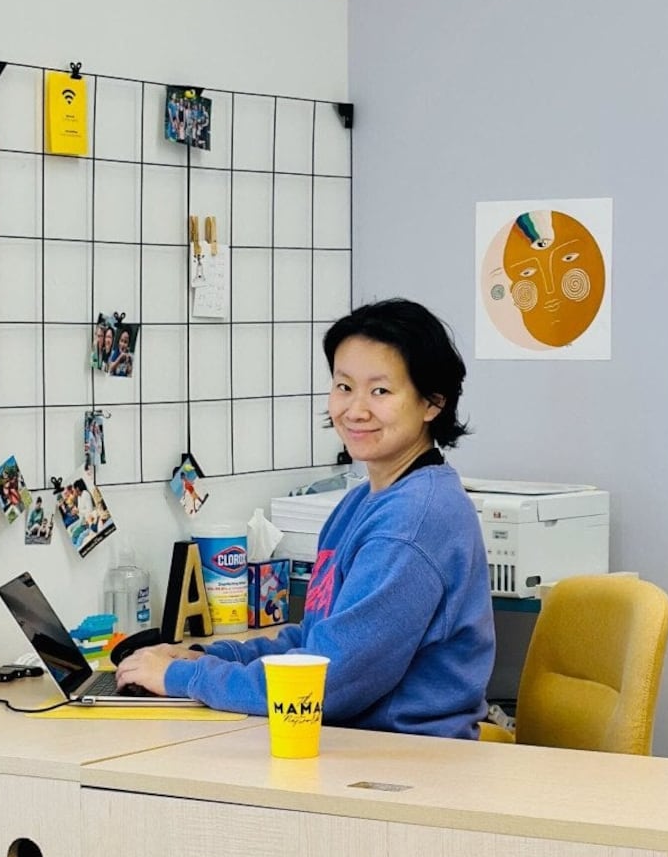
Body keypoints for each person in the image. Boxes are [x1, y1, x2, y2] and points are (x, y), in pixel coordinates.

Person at [116, 298, 495, 740]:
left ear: (432, 402)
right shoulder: (362, 502)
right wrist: (209, 657)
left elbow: (325, 684)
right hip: (350, 743)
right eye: (344, 386)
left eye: (381, 391)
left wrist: (184, 678)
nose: (355, 410)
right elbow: (315, 642)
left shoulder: (411, 522)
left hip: (405, 757)